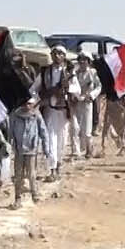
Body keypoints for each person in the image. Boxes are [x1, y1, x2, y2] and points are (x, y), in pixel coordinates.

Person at [6, 97, 49, 208]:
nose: (27, 106)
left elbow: (43, 132)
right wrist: (7, 148)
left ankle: (35, 195)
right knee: (18, 175)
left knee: (32, 174)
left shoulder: (36, 115)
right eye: (25, 103)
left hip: (31, 149)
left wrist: (46, 148)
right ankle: (18, 198)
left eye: (29, 104)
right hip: (19, 150)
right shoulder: (15, 115)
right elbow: (10, 133)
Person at [37, 46, 72, 178]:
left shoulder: (69, 73)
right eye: (54, 53)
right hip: (50, 110)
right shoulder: (45, 72)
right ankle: (52, 169)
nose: (57, 56)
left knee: (62, 140)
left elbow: (77, 89)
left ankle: (58, 165)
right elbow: (34, 89)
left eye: (60, 53)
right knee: (51, 139)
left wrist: (67, 90)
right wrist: (39, 100)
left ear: (64, 56)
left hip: (64, 110)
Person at [70, 52, 102, 159]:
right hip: (76, 103)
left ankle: (89, 149)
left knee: (87, 128)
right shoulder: (75, 73)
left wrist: (92, 95)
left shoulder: (93, 73)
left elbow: (98, 87)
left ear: (88, 61)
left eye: (85, 59)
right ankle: (76, 151)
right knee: (75, 128)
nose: (82, 62)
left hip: (87, 103)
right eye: (80, 59)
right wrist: (74, 96)